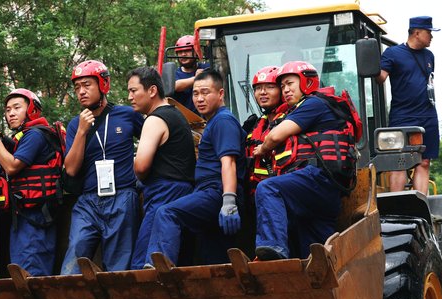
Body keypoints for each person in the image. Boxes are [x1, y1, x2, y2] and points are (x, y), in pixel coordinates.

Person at [253, 61, 357, 260]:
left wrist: (263, 148)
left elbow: (275, 136)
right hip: (327, 193)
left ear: (307, 82)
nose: (285, 90)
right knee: (314, 256)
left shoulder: (313, 104)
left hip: (318, 179)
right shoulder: (315, 106)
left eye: (290, 83)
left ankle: (273, 248)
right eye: (282, 86)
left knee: (268, 188)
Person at [145, 69, 246, 267]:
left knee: (166, 213)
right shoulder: (213, 122)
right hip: (209, 193)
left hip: (216, 192)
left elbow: (229, 162)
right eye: (195, 93)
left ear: (221, 93)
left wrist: (229, 201)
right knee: (215, 261)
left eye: (205, 92)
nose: (199, 98)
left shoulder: (223, 121)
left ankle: (160, 268)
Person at [60, 60, 144, 274]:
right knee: (72, 263)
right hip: (88, 201)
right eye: (77, 87)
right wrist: (81, 131)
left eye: (87, 85)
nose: (81, 92)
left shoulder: (128, 115)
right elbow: (70, 169)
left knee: (118, 268)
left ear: (103, 84)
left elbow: (153, 138)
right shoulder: (74, 125)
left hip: (122, 196)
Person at [0, 88, 60, 276]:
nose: (11, 113)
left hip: (36, 218)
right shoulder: (22, 138)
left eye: (17, 107)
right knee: (21, 270)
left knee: (31, 273)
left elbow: (12, 166)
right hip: (25, 216)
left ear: (31, 109)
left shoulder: (35, 135)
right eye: (8, 110)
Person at [127, 66, 196, 270]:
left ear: (152, 91)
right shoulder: (177, 116)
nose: (130, 96)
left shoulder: (155, 119)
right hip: (183, 191)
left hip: (164, 193)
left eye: (133, 90)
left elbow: (141, 166)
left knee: (147, 265)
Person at [377, 16, 440, 195]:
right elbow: (380, 77)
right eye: (429, 32)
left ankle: (421, 206)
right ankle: (398, 208)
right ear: (417, 32)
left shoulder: (429, 56)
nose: (432, 37)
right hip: (403, 116)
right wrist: (371, 60)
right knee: (399, 163)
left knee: (424, 162)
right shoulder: (393, 53)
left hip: (427, 115)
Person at [246, 65, 286, 196]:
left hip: (280, 195)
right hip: (256, 196)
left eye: (270, 87)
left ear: (282, 90)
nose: (262, 92)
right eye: (258, 88)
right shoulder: (254, 124)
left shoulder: (291, 122)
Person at [172, 35, 210, 115]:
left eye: (187, 51)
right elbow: (176, 86)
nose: (183, 54)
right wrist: (197, 78)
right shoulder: (175, 74)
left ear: (197, 52)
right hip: (186, 122)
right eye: (180, 52)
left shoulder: (206, 68)